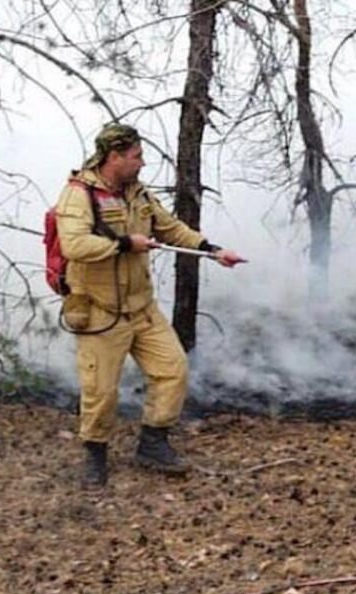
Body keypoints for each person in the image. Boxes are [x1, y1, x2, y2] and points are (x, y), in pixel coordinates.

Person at [54, 123, 245, 487]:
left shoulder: (138, 194)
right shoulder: (79, 195)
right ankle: (95, 456)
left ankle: (153, 444)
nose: (142, 163)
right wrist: (126, 243)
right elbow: (74, 246)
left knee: (173, 370)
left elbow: (171, 229)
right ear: (114, 157)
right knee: (101, 390)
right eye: (136, 156)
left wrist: (213, 250)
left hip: (142, 309)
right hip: (100, 312)